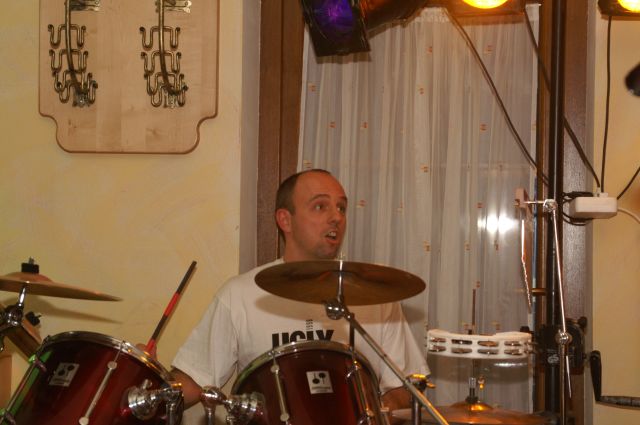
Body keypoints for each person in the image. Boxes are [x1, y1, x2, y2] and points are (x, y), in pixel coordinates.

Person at [171, 169, 430, 418]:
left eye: (341, 208)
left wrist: (372, 415)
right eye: (320, 206)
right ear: (285, 220)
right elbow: (194, 379)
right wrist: (150, 390)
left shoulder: (377, 297)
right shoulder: (240, 295)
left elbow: (404, 390)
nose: (336, 217)